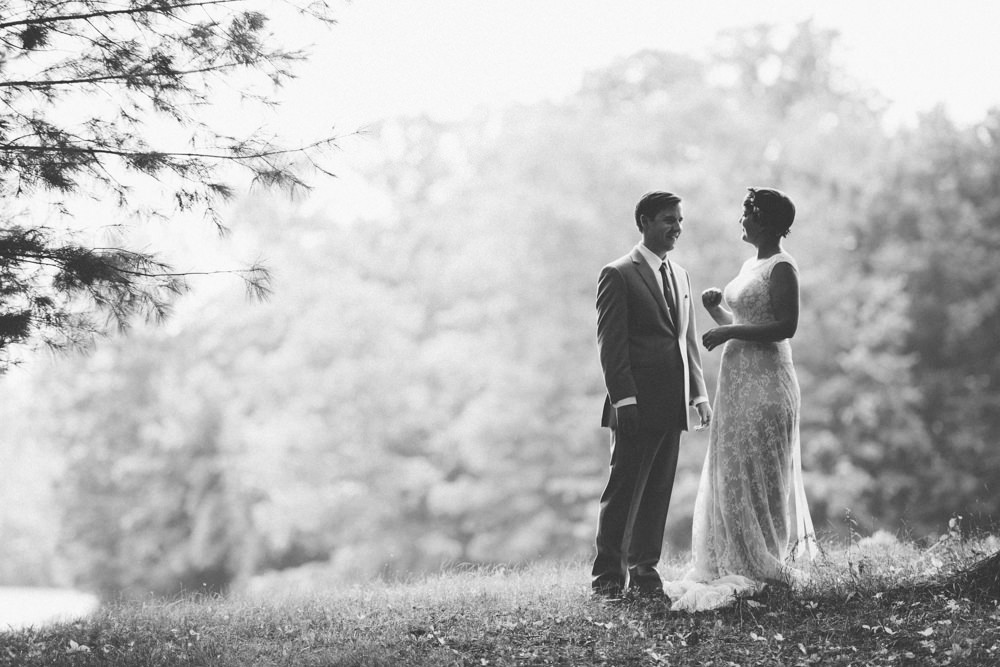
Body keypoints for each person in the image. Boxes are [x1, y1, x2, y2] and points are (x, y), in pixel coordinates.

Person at [666, 187, 816, 612]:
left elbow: (785, 325)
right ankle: (726, 555)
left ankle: (758, 556)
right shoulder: (752, 263)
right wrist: (719, 313)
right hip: (737, 382)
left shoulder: (783, 267)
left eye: (747, 213)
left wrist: (728, 331)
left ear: (765, 221)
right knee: (732, 464)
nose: (741, 220)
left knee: (758, 468)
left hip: (767, 384)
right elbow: (751, 320)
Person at [592, 191, 712, 600]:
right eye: (667, 219)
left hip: (673, 403)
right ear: (644, 222)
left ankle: (645, 572)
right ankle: (607, 578)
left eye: (679, 220)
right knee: (624, 490)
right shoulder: (618, 273)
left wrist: (699, 395)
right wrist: (624, 400)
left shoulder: (680, 275)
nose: (676, 227)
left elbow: (687, 341)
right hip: (635, 405)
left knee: (658, 491)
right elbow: (612, 345)